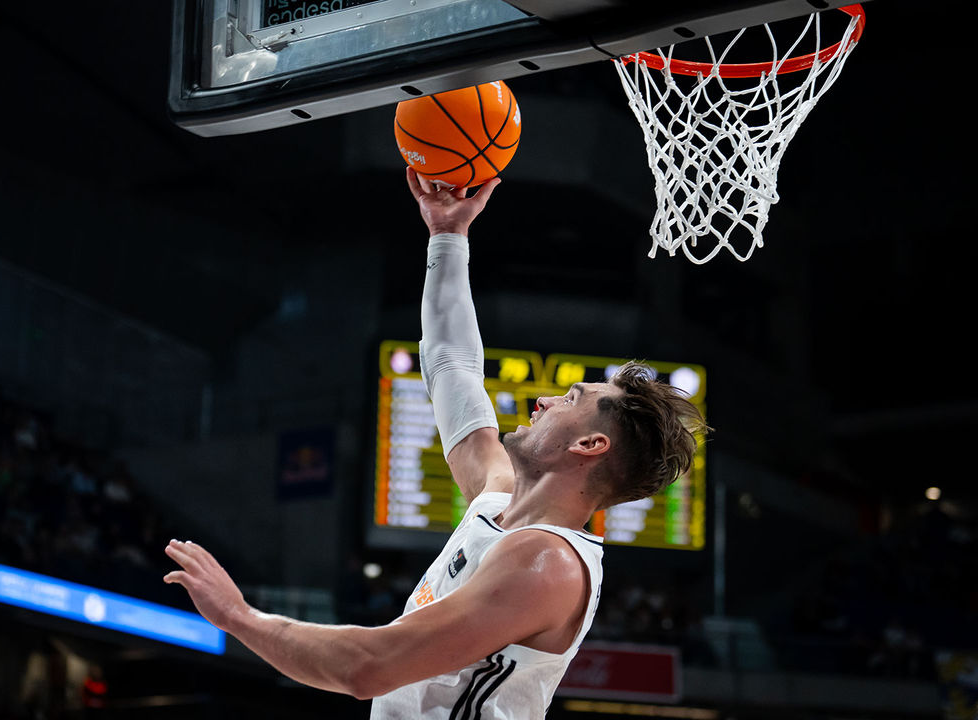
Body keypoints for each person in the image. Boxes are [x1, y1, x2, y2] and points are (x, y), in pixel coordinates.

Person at [163, 169, 710, 717]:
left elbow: (366, 667)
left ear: (590, 445)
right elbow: (451, 365)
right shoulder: (495, 501)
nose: (541, 401)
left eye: (568, 398)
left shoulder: (549, 562)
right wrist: (447, 236)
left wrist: (240, 617)